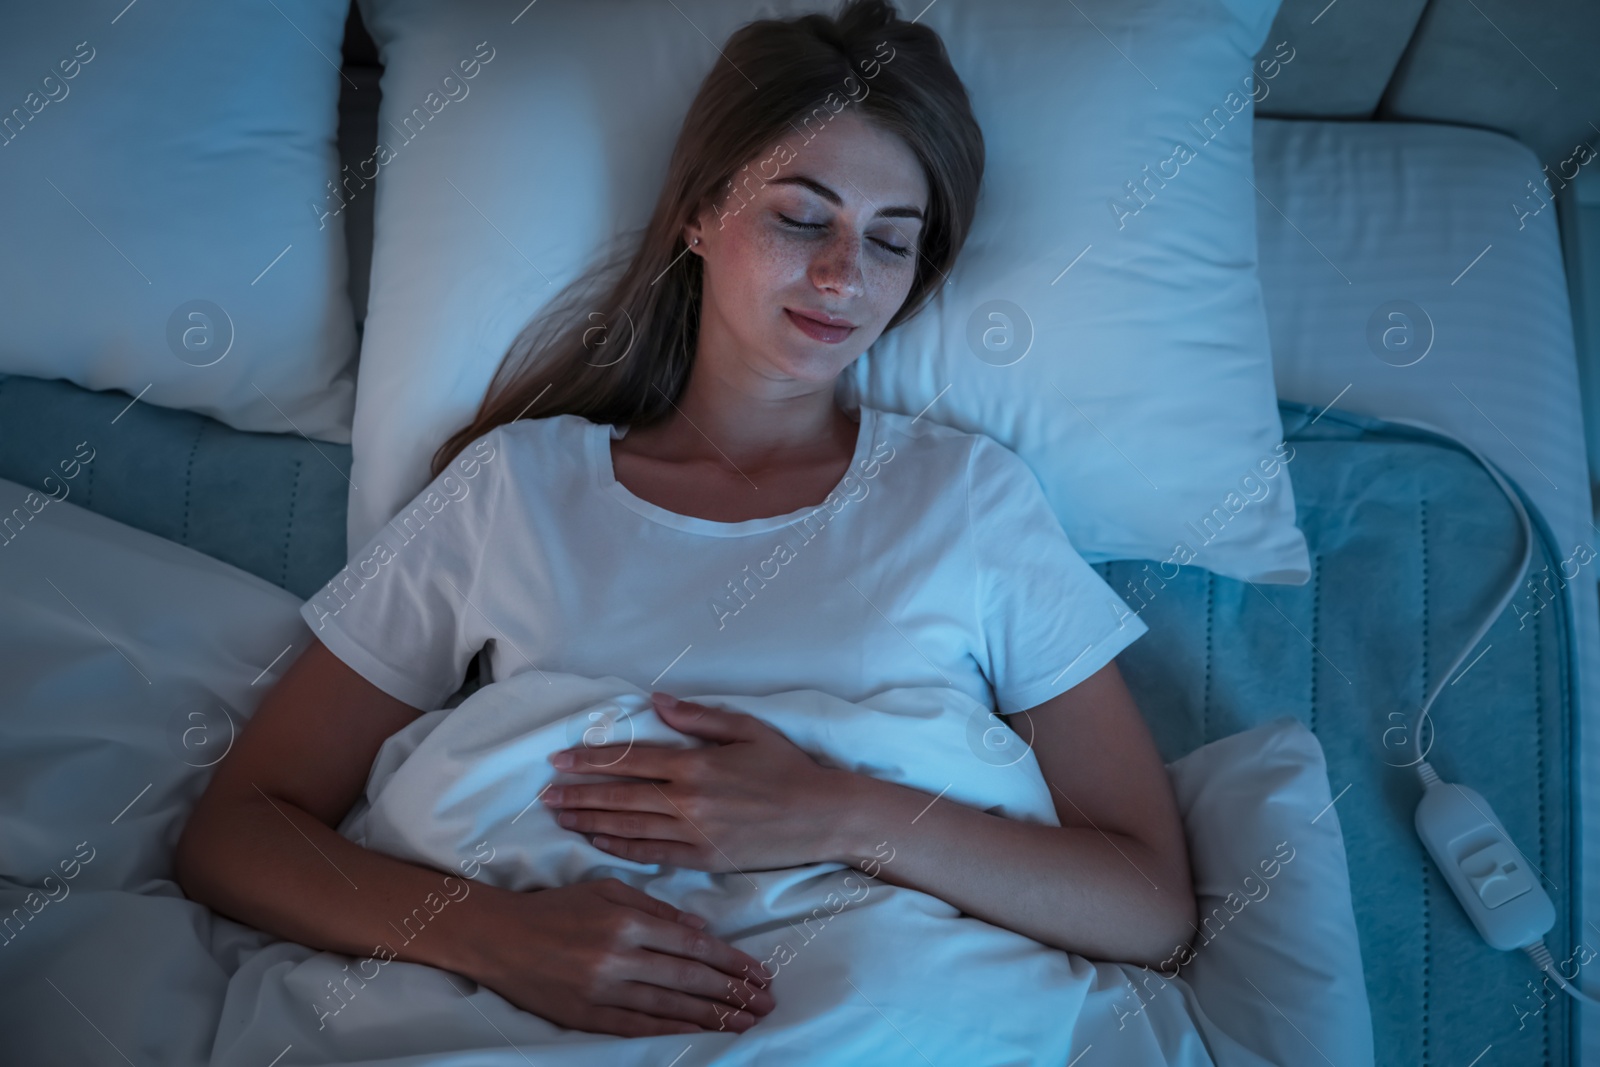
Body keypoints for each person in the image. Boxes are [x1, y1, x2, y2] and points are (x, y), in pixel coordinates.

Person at [175, 0, 1196, 1045]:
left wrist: (840, 810)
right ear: (700, 215)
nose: (846, 275)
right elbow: (236, 832)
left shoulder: (965, 498)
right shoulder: (513, 488)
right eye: (803, 218)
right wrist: (496, 937)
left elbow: (1148, 904)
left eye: (892, 242)